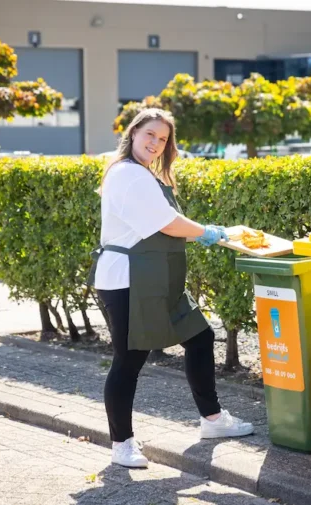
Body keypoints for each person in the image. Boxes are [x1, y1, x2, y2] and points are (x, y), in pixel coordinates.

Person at [88, 108, 254, 469]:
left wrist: (208, 231)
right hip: (128, 279)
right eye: (150, 134)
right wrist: (209, 231)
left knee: (199, 336)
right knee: (129, 361)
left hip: (156, 278)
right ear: (133, 133)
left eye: (162, 139)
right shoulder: (129, 174)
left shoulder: (143, 174)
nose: (155, 143)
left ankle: (212, 420)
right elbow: (167, 223)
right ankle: (121, 444)